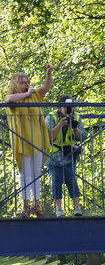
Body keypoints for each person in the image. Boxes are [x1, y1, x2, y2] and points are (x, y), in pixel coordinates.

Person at [5, 65, 53, 218]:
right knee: (25, 174)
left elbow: (46, 87)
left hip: (37, 140)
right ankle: (25, 205)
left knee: (36, 173)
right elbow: (9, 100)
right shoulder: (15, 97)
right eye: (23, 82)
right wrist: (26, 93)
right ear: (16, 84)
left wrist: (48, 73)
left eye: (27, 82)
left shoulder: (34, 96)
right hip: (23, 141)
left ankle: (37, 204)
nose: (27, 84)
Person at [45, 96, 84, 217]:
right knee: (56, 180)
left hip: (69, 154)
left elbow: (80, 137)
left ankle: (77, 207)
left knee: (71, 179)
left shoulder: (76, 116)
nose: (68, 109)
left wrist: (75, 127)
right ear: (59, 107)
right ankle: (58, 208)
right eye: (66, 107)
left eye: (70, 107)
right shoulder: (51, 117)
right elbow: (48, 137)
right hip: (54, 155)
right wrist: (60, 125)